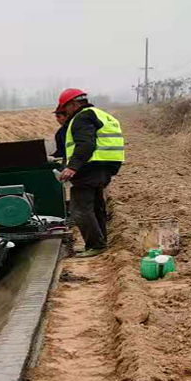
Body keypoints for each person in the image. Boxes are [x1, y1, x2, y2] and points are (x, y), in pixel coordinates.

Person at [56, 88, 125, 257]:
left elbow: (85, 144)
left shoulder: (81, 118)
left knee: (80, 209)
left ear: (73, 104)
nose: (65, 113)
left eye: (65, 109)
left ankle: (95, 244)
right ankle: (100, 242)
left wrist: (72, 167)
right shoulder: (97, 113)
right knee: (96, 206)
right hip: (103, 167)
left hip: (89, 168)